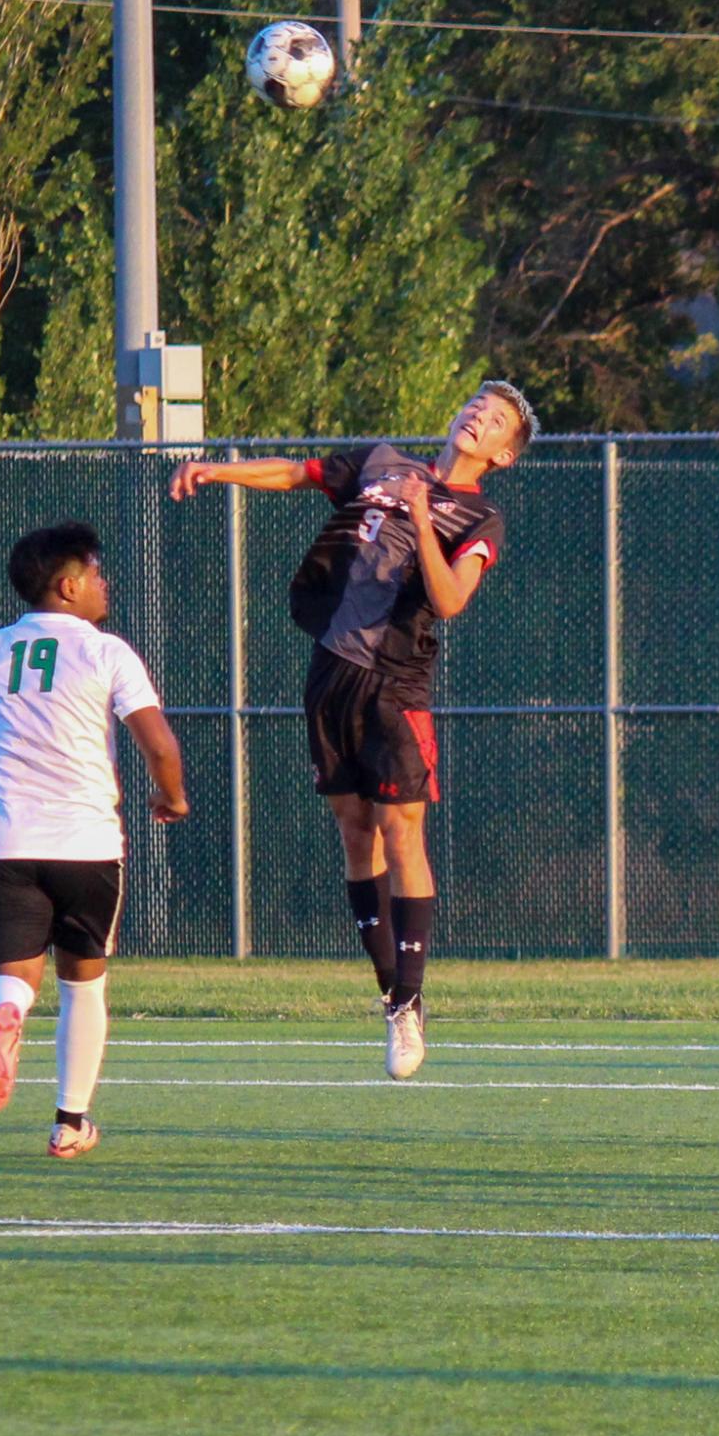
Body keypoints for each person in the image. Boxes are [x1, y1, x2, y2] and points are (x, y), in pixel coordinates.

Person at [169, 382, 537, 1079]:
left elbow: (452, 598)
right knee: (353, 827)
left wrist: (426, 522)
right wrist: (218, 469)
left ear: (503, 454)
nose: (476, 418)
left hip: (396, 683)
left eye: (494, 422)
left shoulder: (480, 515)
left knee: (403, 828)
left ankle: (409, 1000)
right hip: (331, 669)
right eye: (474, 406)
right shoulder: (382, 462)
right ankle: (390, 992)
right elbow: (299, 472)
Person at [0, 520, 188, 1157]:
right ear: (69, 586)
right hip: (86, 844)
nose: (105, 583)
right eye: (97, 572)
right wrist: (173, 795)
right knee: (84, 983)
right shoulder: (106, 651)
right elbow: (158, 743)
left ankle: (8, 1012)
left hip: (5, 843)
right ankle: (71, 1122)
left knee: (14, 976)